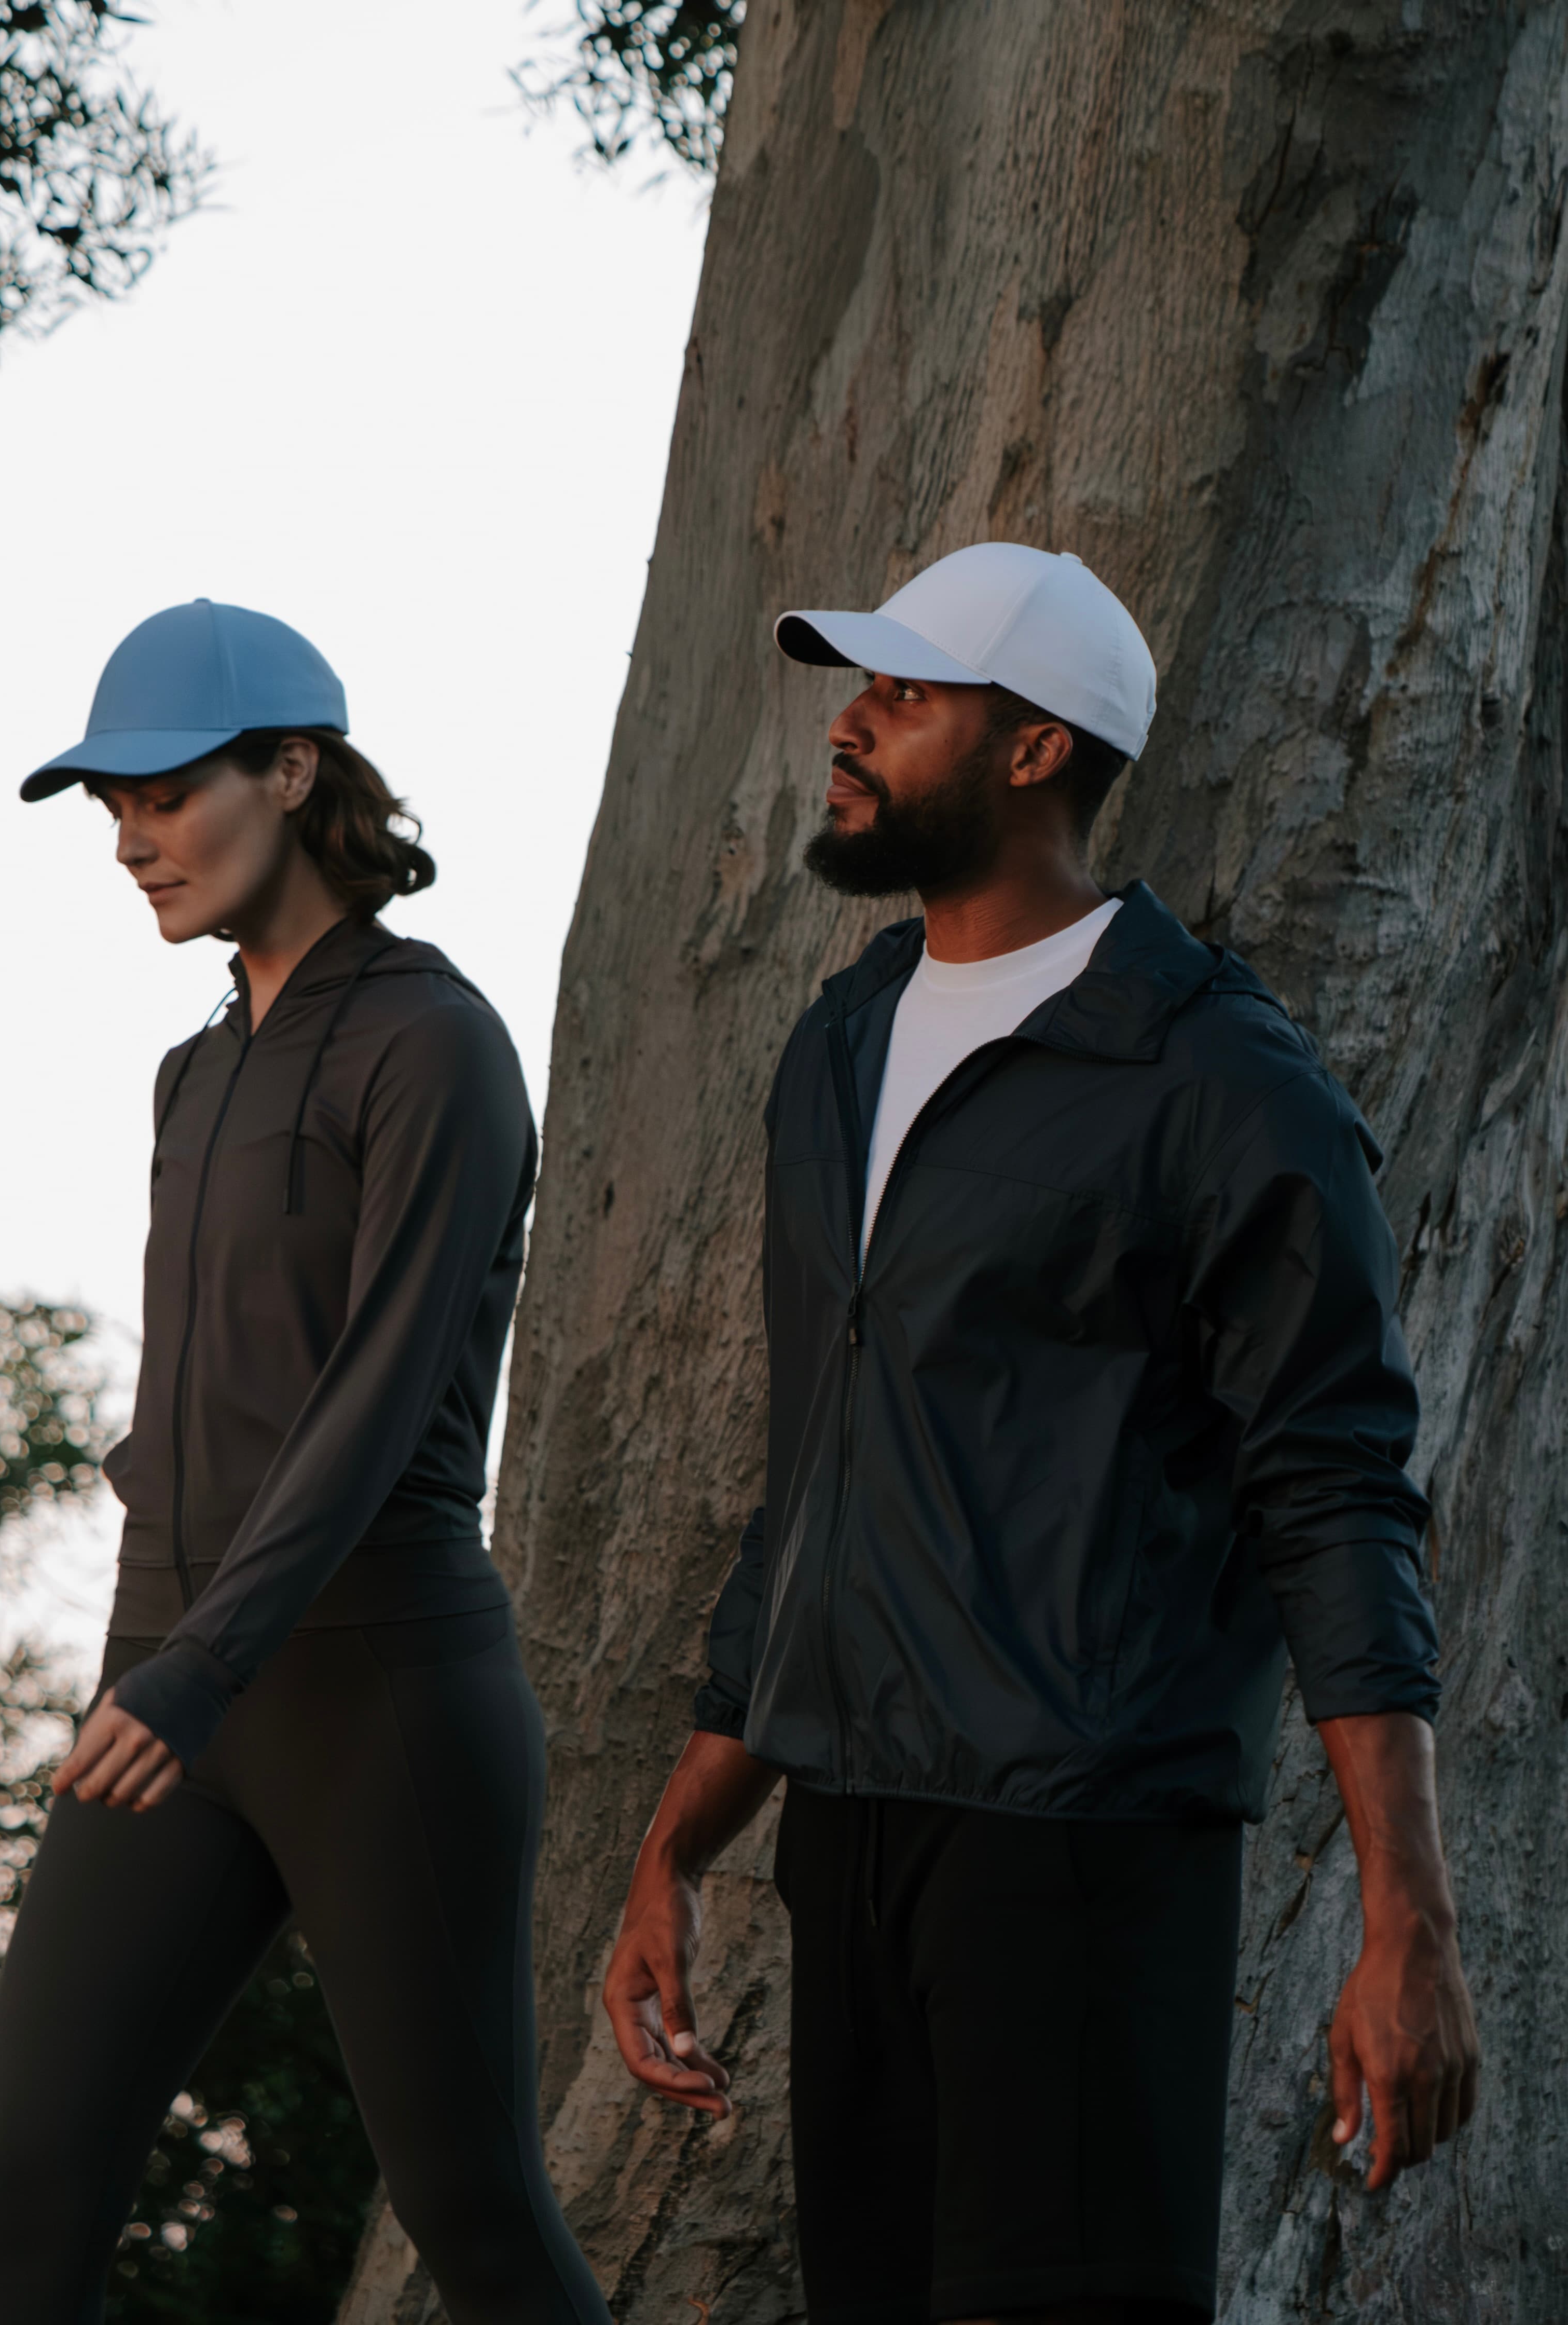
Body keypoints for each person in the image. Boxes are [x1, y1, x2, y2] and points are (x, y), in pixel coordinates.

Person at [601, 544, 1479, 2325]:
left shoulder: (1222, 1081)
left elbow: (1335, 1496)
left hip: (1077, 1851)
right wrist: (678, 1845)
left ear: (1031, 753)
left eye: (904, 697)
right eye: (864, 687)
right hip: (847, 1831)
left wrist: (1411, 1919)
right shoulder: (841, 1045)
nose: (848, 725)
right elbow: (826, 1478)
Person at [0, 599, 609, 2325]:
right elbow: (218, 1370)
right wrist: (155, 1548)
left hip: (374, 1683)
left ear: (294, 772)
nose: (130, 842)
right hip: (169, 1669)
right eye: (111, 809)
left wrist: (200, 1661)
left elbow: (377, 1398)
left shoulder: (432, 1044)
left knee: (470, 2208)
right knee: (22, 2201)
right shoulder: (194, 1072)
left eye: (162, 795)